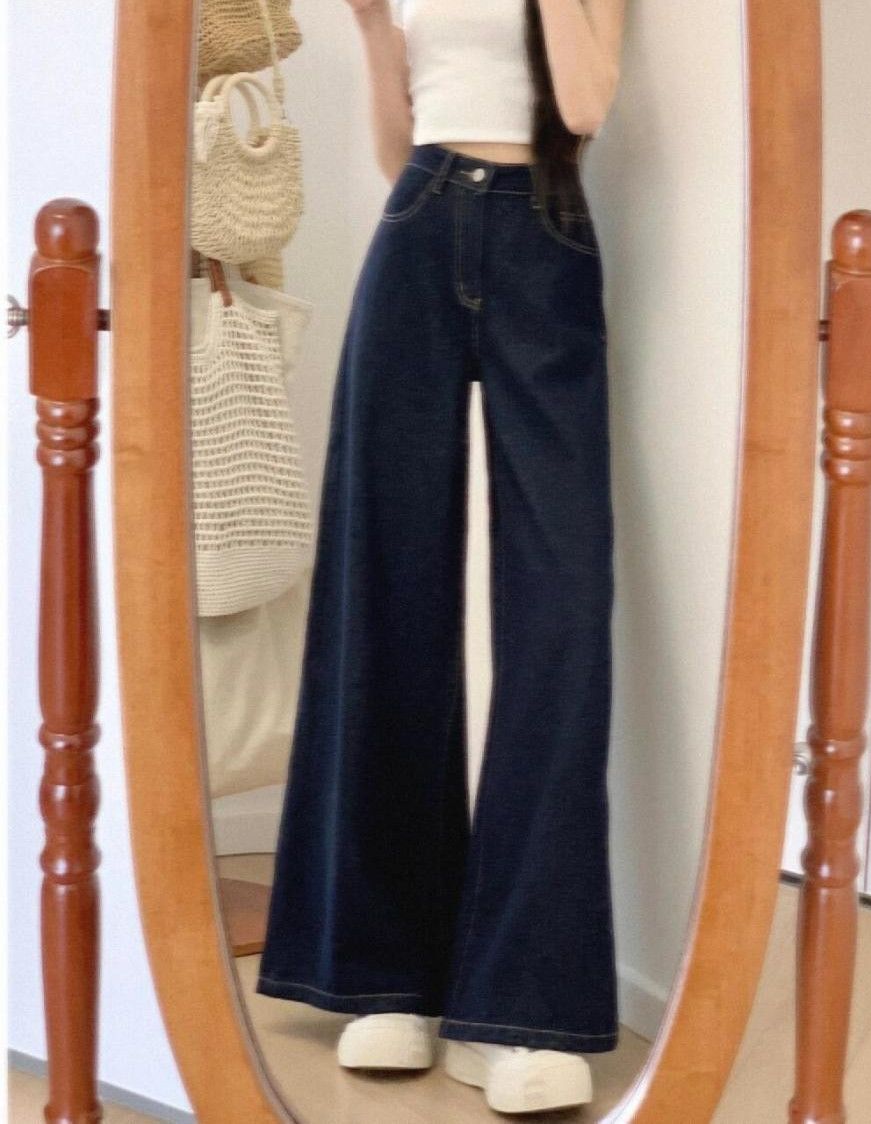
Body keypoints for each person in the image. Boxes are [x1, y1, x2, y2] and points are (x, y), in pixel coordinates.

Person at [254, 0, 627, 1113]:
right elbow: (394, 149)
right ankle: (386, 977)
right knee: (384, 582)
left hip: (544, 229)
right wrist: (375, 29)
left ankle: (519, 1006)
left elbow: (584, 105)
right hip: (417, 224)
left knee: (563, 609)